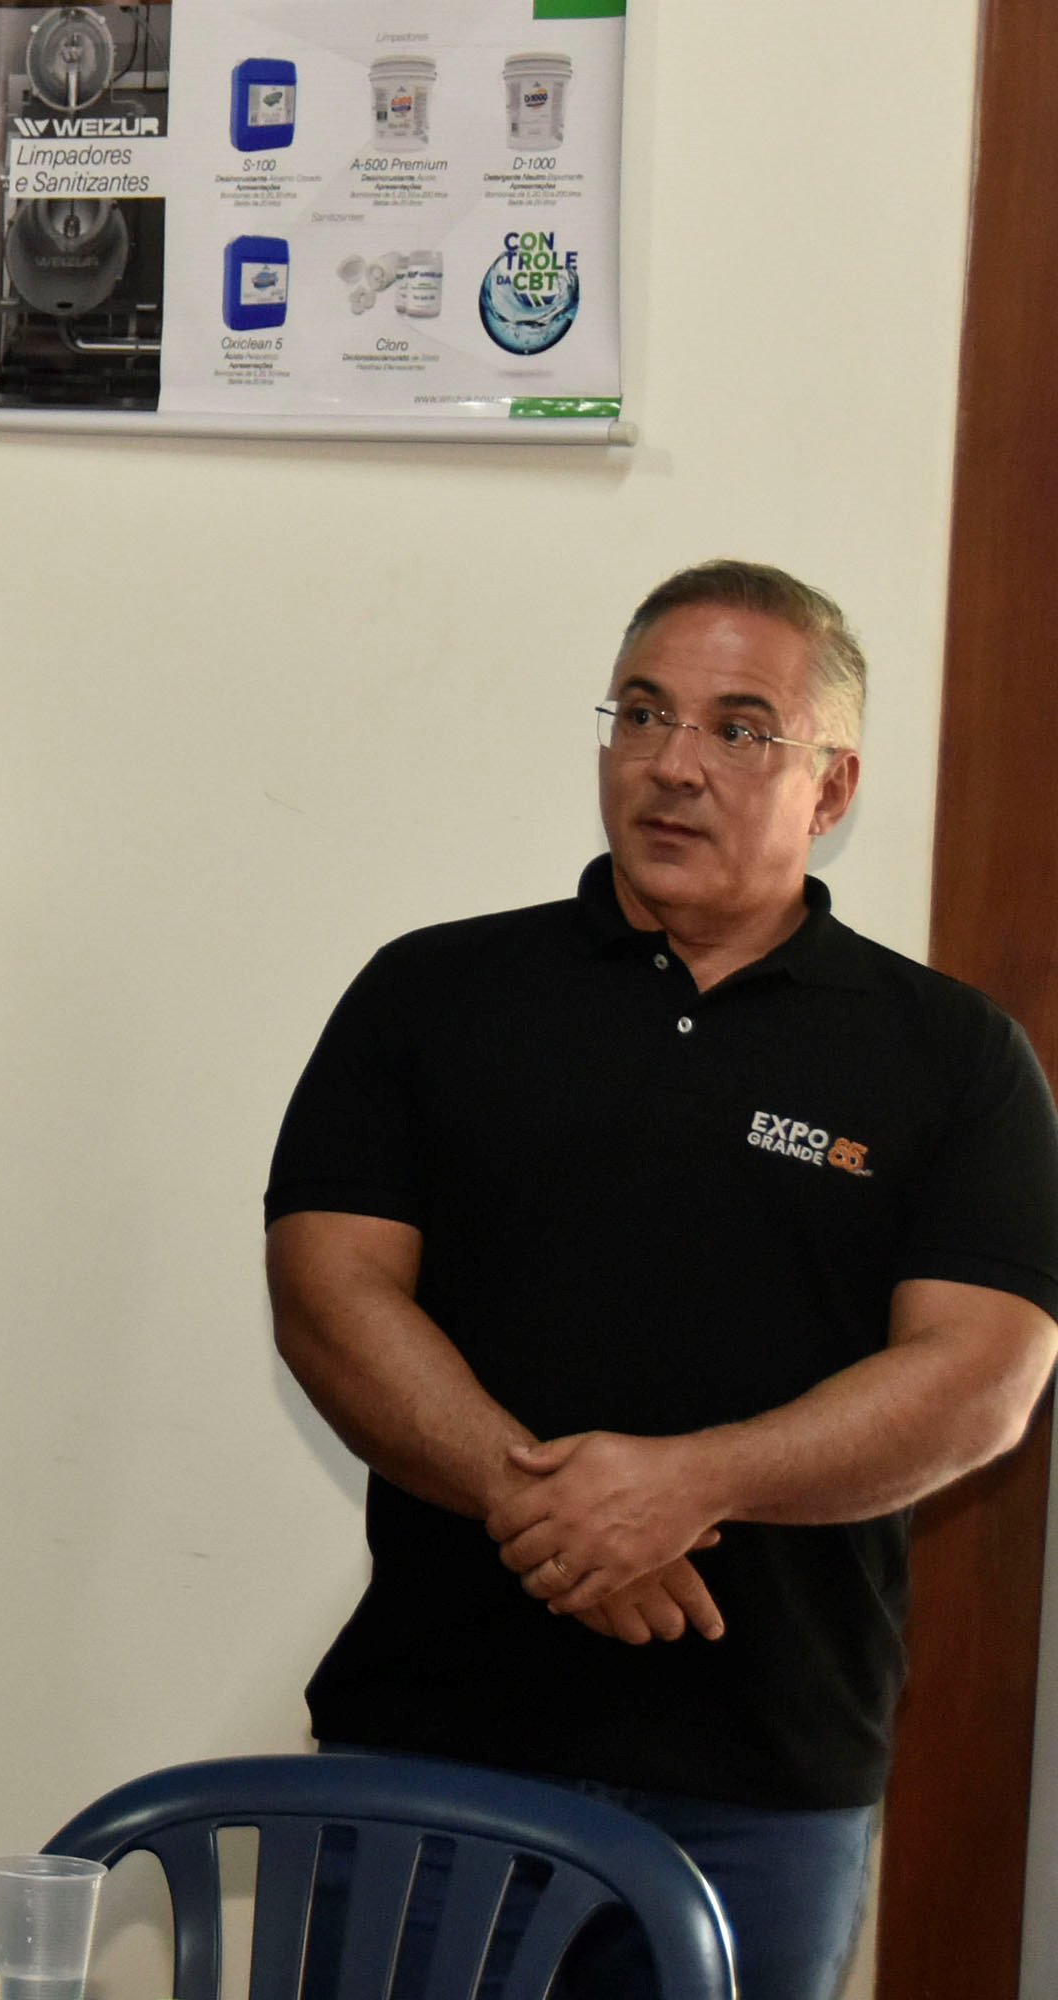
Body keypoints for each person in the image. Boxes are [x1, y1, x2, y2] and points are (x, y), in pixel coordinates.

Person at [266, 560, 1058, 2000]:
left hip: (764, 1783)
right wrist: (543, 1502)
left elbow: (983, 1379)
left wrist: (693, 1484)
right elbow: (328, 1290)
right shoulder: (435, 994)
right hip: (435, 1745)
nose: (673, 764)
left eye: (740, 728)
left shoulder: (952, 1056)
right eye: (641, 714)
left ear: (832, 786)